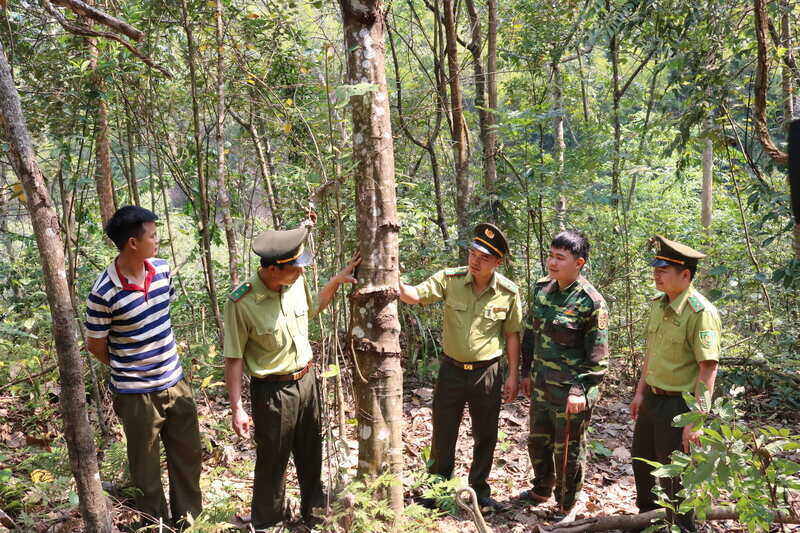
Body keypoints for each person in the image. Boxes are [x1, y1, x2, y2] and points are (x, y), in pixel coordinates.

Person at [223, 218, 360, 531]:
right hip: (272, 391)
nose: (301, 271)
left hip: (307, 381)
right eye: (295, 267)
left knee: (311, 451)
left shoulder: (295, 282)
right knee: (273, 460)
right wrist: (237, 407)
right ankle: (268, 521)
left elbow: (312, 309)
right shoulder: (241, 302)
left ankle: (315, 514)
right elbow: (234, 358)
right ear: (273, 269)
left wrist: (336, 281)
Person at [85, 206, 202, 528]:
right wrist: (128, 367)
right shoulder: (103, 292)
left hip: (175, 382)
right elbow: (96, 345)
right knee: (146, 471)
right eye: (152, 235)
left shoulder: (162, 270)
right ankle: (155, 525)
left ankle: (190, 522)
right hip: (136, 396)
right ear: (133, 243)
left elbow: (162, 315)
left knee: (188, 457)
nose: (158, 240)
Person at [399, 223, 522, 513]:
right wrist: (393, 278)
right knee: (443, 431)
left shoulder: (508, 292)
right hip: (451, 370)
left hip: (487, 373)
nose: (475, 261)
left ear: (497, 262)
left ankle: (479, 490)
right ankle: (437, 490)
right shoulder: (450, 279)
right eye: (473, 254)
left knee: (486, 434)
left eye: (484, 258)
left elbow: (512, 334)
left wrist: (513, 374)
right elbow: (415, 295)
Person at [628, 235, 721, 532]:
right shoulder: (659, 305)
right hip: (652, 399)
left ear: (685, 275)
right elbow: (651, 354)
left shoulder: (700, 313)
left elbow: (708, 368)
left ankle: (682, 528)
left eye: (664, 270)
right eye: (656, 269)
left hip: (680, 405)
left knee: (675, 480)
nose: (657, 275)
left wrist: (696, 420)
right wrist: (640, 393)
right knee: (642, 464)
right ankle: (647, 522)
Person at [518, 230, 609, 523]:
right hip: (542, 384)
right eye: (550, 256)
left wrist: (580, 391)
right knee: (538, 441)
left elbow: (598, 357)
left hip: (571, 392)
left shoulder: (590, 301)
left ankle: (566, 505)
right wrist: (525, 372)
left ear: (579, 263)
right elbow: (530, 334)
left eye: (560, 258)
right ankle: (541, 488)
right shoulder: (542, 289)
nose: (552, 262)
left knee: (567, 450)